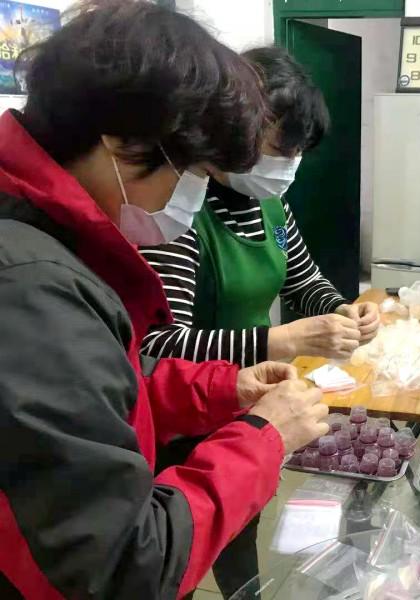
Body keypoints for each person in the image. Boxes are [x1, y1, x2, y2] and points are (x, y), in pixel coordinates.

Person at [0, 3, 329, 599]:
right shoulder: (29, 284)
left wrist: (226, 388)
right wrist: (263, 436)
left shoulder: (58, 242)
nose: (194, 192)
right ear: (120, 145)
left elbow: (108, 379)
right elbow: (127, 565)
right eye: (193, 170)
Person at [139, 46, 379, 598]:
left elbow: (304, 280)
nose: (286, 164)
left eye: (296, 151)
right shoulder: (178, 209)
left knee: (243, 531)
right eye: (278, 147)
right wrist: (277, 339)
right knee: (187, 541)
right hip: (180, 414)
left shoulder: (272, 206)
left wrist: (341, 308)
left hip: (249, 399)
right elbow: (158, 345)